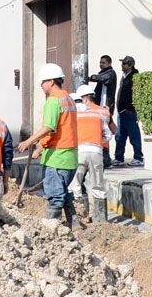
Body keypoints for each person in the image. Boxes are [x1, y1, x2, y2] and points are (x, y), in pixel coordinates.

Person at [17, 63, 79, 226]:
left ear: (51, 81)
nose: (41, 85)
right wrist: (41, 147)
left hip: (57, 158)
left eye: (43, 81)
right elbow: (60, 130)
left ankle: (53, 226)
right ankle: (75, 223)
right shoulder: (69, 99)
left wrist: (29, 141)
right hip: (70, 156)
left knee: (55, 195)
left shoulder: (53, 101)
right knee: (62, 192)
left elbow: (49, 127)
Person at [72, 83, 115, 222]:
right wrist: (97, 141)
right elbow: (109, 134)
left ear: (83, 99)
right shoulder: (101, 113)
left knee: (76, 183)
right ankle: (100, 219)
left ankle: (81, 215)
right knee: (98, 184)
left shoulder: (75, 115)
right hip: (97, 151)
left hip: (80, 151)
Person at [112, 55, 144, 168]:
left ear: (130, 65)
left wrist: (130, 109)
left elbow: (135, 95)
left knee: (133, 135)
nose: (122, 65)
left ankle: (138, 157)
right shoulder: (124, 76)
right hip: (121, 112)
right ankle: (119, 157)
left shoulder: (134, 77)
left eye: (124, 64)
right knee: (120, 136)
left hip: (128, 112)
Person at [89, 53, 118, 166]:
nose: (101, 65)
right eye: (100, 63)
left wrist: (91, 77)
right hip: (101, 108)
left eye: (103, 63)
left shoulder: (110, 74)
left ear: (109, 63)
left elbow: (101, 78)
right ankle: (104, 158)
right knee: (101, 132)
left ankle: (107, 159)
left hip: (106, 107)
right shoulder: (104, 74)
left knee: (106, 132)